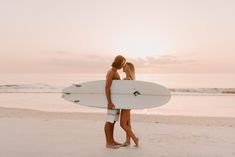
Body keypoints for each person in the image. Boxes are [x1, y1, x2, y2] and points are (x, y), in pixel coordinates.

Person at [104, 55, 126, 149]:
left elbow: (116, 87)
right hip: (112, 102)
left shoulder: (116, 72)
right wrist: (109, 102)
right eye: (123, 63)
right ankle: (108, 143)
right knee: (109, 121)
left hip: (116, 102)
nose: (123, 65)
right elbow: (107, 87)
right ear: (119, 63)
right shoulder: (111, 72)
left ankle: (112, 140)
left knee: (113, 121)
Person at [120, 62, 139, 147]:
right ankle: (128, 141)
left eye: (125, 65)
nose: (123, 67)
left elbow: (136, 92)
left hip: (126, 104)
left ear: (129, 68)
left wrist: (129, 100)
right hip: (127, 103)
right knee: (127, 123)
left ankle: (135, 138)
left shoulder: (128, 79)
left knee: (122, 124)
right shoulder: (129, 78)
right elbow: (136, 93)